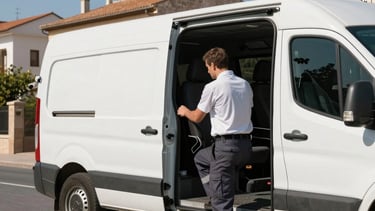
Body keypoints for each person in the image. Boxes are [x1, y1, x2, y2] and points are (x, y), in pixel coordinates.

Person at [177, 47, 253, 211]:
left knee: (222, 205)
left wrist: (184, 111)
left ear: (213, 65)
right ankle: (215, 193)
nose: (208, 71)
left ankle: (218, 196)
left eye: (207, 67)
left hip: (225, 149)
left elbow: (197, 117)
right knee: (201, 159)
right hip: (245, 147)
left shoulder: (213, 87)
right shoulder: (245, 84)